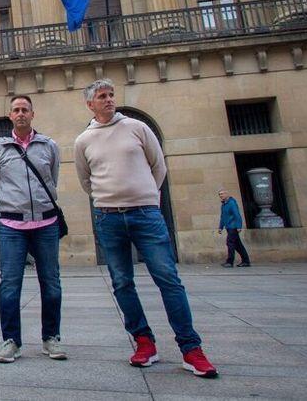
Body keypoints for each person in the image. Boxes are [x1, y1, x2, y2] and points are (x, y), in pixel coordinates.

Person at [74, 80, 217, 378]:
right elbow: (86, 180)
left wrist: (146, 196)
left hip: (146, 214)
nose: (109, 100)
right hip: (109, 217)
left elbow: (158, 166)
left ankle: (191, 348)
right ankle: (143, 341)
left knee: (167, 278)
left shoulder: (137, 128)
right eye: (102, 96)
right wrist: (109, 198)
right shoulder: (83, 141)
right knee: (122, 282)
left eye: (111, 95)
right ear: (90, 104)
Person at [0, 95, 65, 364]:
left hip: (46, 223)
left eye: (25, 110)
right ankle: (11, 341)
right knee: (9, 284)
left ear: (33, 114)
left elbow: (52, 179)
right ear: (10, 115)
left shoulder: (49, 146)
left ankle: (51, 337)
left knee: (51, 283)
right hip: (12, 225)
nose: (20, 114)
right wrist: (14, 205)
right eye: (16, 110)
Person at [217, 190, 250, 268]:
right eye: (219, 194)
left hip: (233, 227)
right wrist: (220, 227)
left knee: (230, 242)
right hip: (228, 227)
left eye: (222, 194)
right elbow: (223, 217)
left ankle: (230, 262)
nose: (221, 195)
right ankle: (246, 261)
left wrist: (239, 226)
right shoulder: (223, 205)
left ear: (227, 194)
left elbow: (237, 215)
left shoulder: (232, 203)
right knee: (238, 245)